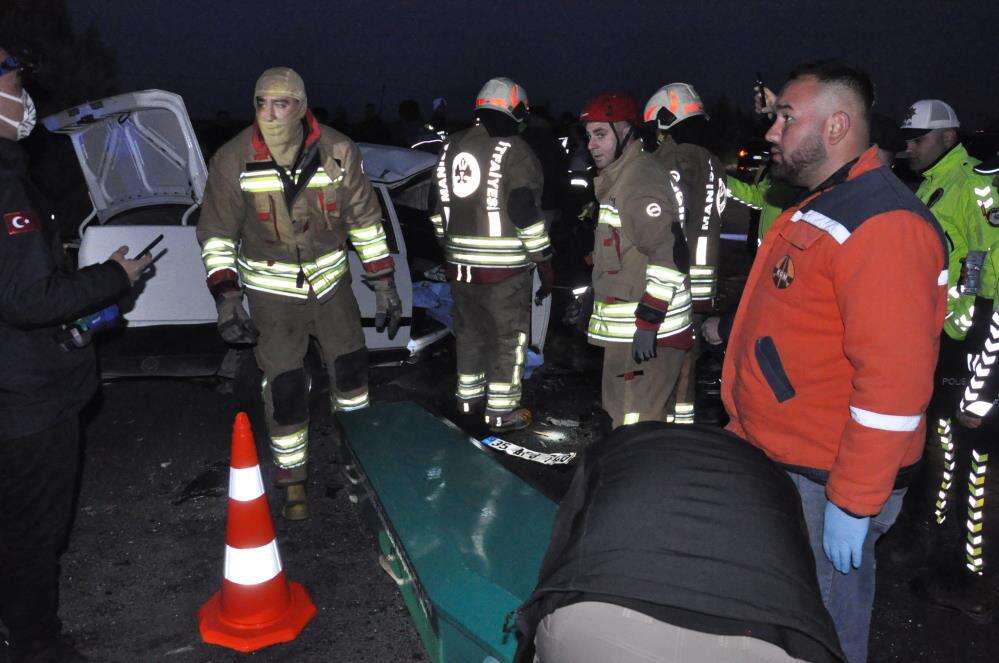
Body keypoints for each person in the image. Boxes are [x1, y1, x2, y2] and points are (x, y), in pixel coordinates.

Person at [721, 61, 947, 663]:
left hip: (826, 477)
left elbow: (895, 387)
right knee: (776, 613)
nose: (771, 131)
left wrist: (853, 499)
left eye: (787, 118)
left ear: (838, 126)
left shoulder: (884, 224)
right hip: (787, 455)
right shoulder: (831, 201)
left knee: (819, 630)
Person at [0, 45, 152, 662]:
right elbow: (25, 298)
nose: (23, 97)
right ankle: (36, 645)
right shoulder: (6, 184)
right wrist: (111, 278)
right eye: (14, 84)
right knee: (34, 531)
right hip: (27, 401)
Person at [197, 67, 401, 521]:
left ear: (302, 106)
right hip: (273, 297)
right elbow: (215, 232)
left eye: (281, 103)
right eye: (261, 103)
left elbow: (365, 221)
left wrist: (384, 283)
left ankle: (361, 465)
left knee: (351, 378)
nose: (269, 113)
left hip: (332, 288)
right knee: (286, 387)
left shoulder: (339, 150)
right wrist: (227, 295)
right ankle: (292, 481)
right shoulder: (233, 158)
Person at [514, 422, 845, 663]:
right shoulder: (772, 485)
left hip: (600, 625)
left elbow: (561, 551)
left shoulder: (614, 458)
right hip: (772, 643)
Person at [430, 77, 553, 432]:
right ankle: (501, 412)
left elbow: (435, 206)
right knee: (507, 340)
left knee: (468, 334)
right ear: (516, 111)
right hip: (504, 274)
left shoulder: (451, 146)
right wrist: (543, 258)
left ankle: (467, 401)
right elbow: (524, 209)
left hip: (459, 268)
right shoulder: (515, 150)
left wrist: (447, 245)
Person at [910, 155, 999, 618]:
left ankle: (966, 580)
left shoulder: (982, 189)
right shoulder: (981, 189)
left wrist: (982, 390)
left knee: (971, 473)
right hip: (969, 345)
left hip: (981, 358)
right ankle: (945, 565)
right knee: (952, 462)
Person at [582, 92, 692, 429]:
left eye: (600, 134)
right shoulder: (620, 177)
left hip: (647, 334)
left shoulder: (639, 179)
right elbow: (624, 250)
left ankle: (635, 480)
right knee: (635, 419)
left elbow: (671, 253)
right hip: (629, 333)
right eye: (588, 136)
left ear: (626, 131)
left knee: (634, 424)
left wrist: (649, 320)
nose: (591, 145)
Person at [644, 82, 725, 424]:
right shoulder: (712, 162)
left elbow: (664, 224)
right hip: (703, 282)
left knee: (660, 364)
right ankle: (682, 428)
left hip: (673, 280)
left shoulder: (674, 159)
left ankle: (655, 432)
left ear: (665, 119)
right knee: (687, 363)